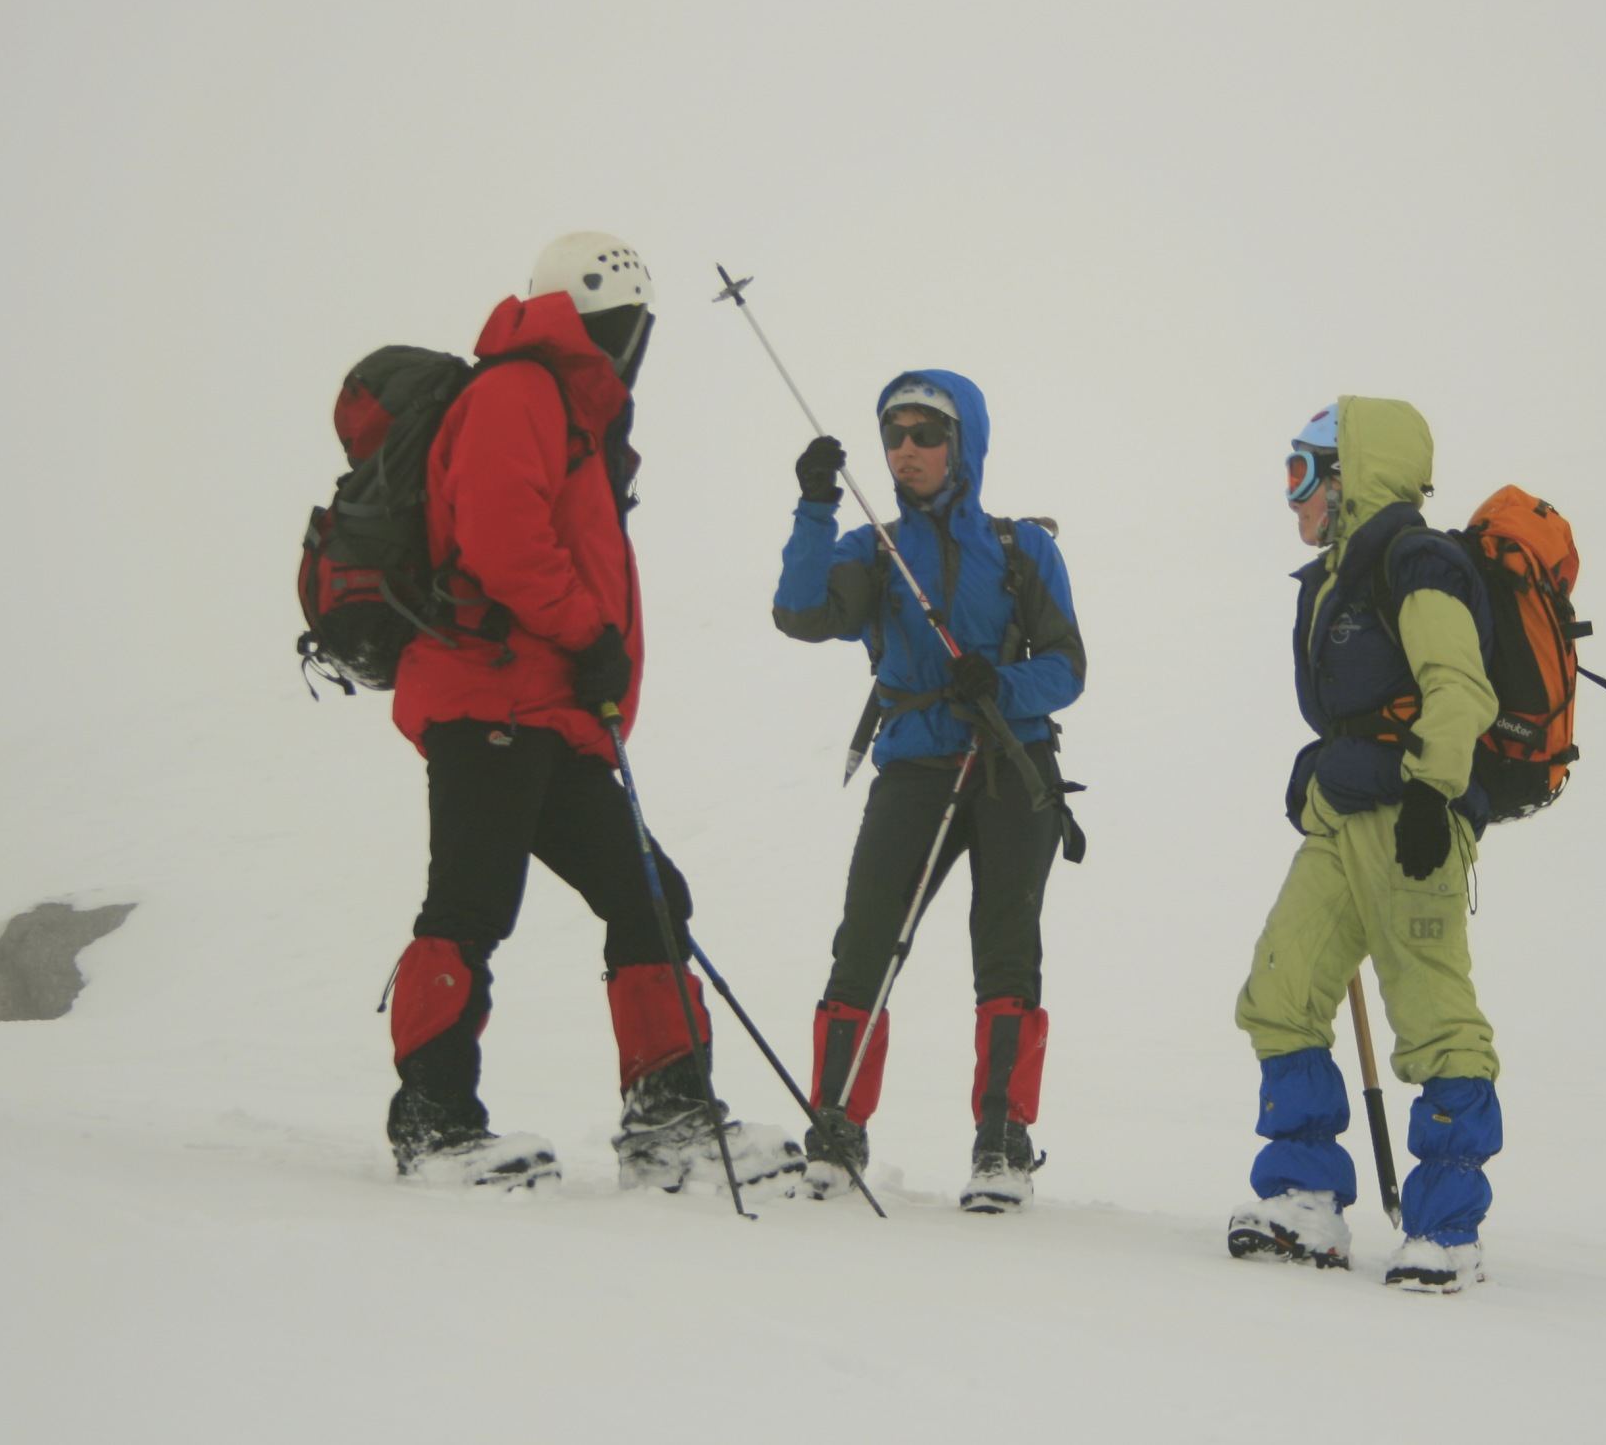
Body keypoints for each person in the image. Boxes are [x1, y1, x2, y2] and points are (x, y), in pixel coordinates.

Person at [381, 230, 796, 1192]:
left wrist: (590, 661)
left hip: (551, 710)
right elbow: (501, 538)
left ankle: (669, 1123)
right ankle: (433, 1125)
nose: (635, 342)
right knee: (471, 904)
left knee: (649, 893)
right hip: (491, 694)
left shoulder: (571, 409)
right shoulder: (518, 390)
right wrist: (589, 632)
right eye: (631, 324)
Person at [772, 372, 1084, 1211]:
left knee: (1006, 951)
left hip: (1013, 767)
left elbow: (1067, 667)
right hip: (914, 767)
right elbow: (801, 614)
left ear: (962, 444)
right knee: (865, 943)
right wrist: (814, 507)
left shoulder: (1023, 548)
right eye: (894, 434)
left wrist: (1002, 685)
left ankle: (1002, 1143)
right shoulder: (870, 549)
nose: (905, 449)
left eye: (926, 433)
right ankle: (836, 1128)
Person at [1227, 398, 1504, 1292]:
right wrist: (1321, 772)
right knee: (1279, 991)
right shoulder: (1337, 578)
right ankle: (1304, 1198)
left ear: (1350, 475)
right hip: (1342, 814)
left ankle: (1447, 1231)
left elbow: (1457, 685)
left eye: (1303, 472)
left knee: (1432, 1016)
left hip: (1410, 818)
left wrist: (1431, 793)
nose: (1293, 495)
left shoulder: (1415, 561)